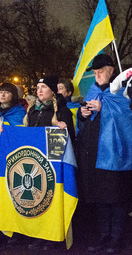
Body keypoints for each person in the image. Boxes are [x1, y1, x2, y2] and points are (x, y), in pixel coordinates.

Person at [76, 54, 132, 254]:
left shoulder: (121, 90)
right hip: (94, 153)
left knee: (116, 196)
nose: (97, 75)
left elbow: (129, 116)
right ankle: (104, 235)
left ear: (111, 70)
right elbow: (84, 120)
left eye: (100, 71)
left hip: (114, 154)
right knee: (100, 198)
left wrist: (103, 107)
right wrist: (83, 113)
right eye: (95, 73)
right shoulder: (93, 90)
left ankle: (117, 237)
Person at [23, 75, 74, 250]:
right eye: (38, 88)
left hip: (52, 166)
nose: (39, 91)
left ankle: (53, 235)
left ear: (52, 91)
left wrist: (63, 130)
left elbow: (70, 141)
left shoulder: (62, 111)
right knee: (37, 198)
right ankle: (39, 234)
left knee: (51, 199)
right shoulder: (33, 111)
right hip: (35, 164)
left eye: (43, 87)